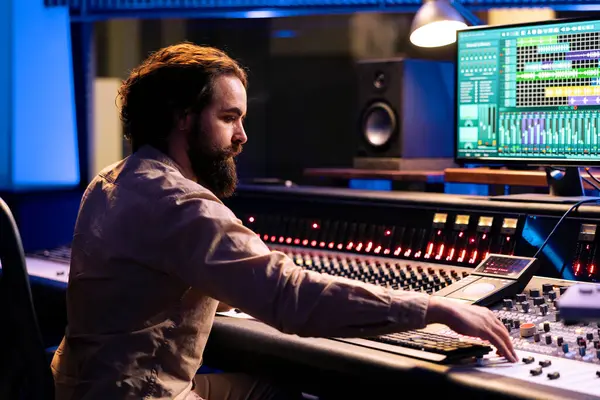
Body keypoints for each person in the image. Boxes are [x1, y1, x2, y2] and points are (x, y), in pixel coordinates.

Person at [50, 42, 517, 400]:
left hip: (77, 385)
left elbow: (156, 280)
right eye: (229, 118)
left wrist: (238, 283)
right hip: (142, 394)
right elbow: (290, 297)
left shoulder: (112, 179)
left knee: (270, 386)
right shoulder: (182, 205)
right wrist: (432, 308)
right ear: (184, 119)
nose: (242, 136)